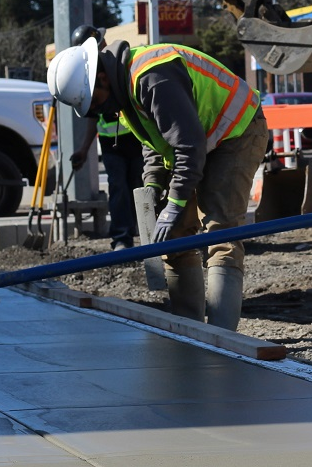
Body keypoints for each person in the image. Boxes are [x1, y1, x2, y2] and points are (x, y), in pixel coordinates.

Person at [47, 36, 268, 331]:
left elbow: (189, 146)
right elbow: (155, 139)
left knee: (221, 230)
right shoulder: (123, 89)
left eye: (97, 102)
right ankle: (190, 332)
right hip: (199, 138)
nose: (100, 111)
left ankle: (221, 337)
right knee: (173, 237)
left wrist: (175, 203)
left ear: (101, 78)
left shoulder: (152, 76)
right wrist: (152, 184)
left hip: (236, 128)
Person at [67, 26, 140, 251]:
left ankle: (151, 235)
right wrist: (83, 149)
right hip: (112, 145)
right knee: (118, 188)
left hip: (138, 139)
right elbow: (92, 118)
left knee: (142, 187)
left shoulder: (119, 68)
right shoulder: (90, 81)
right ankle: (122, 238)